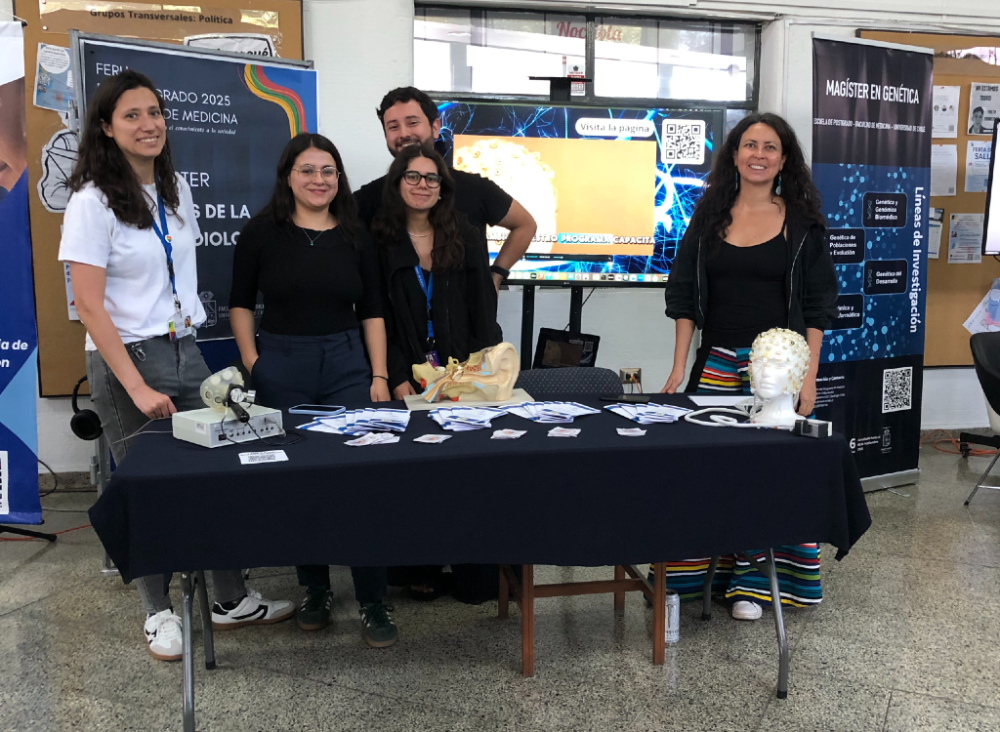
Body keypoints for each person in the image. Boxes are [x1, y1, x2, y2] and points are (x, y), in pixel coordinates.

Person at [58, 70, 294, 662]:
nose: (149, 124)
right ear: (107, 129)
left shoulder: (174, 189)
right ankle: (156, 612)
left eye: (155, 112)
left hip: (186, 347)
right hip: (130, 357)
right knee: (149, 484)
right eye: (132, 115)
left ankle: (230, 598)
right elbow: (88, 303)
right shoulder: (92, 201)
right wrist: (133, 384)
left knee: (212, 471)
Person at [657, 112, 838, 620]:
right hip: (716, 363)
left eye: (770, 147)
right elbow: (685, 296)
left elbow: (820, 304)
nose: (759, 154)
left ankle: (754, 585)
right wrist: (677, 367)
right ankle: (694, 579)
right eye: (750, 145)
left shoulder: (802, 224)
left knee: (769, 476)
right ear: (735, 155)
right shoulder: (708, 216)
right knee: (706, 471)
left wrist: (809, 374)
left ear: (784, 160)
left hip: (778, 367)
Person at [229, 132, 398, 648]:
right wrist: (256, 364)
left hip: (348, 362)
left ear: (338, 178)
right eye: (307, 170)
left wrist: (378, 375)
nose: (319, 180)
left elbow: (372, 309)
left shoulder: (356, 235)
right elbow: (239, 304)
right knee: (299, 479)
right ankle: (316, 589)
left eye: (328, 170)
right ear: (288, 176)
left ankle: (372, 597)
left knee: (359, 475)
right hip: (283, 361)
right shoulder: (261, 234)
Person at [372, 143, 501, 603]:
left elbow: (482, 310)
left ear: (443, 188)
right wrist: (392, 372)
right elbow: (375, 313)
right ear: (397, 183)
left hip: (461, 374)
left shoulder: (463, 233)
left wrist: (477, 375)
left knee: (467, 474)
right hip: (407, 375)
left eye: (432, 178)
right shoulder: (380, 239)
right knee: (415, 475)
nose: (423, 185)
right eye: (413, 177)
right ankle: (420, 567)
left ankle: (474, 574)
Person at [355, 86, 536, 294]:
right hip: (397, 323)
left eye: (412, 123)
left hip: (467, 321)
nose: (404, 133)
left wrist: (495, 275)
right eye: (393, 127)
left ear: (434, 127)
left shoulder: (474, 188)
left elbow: (525, 224)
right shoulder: (369, 198)